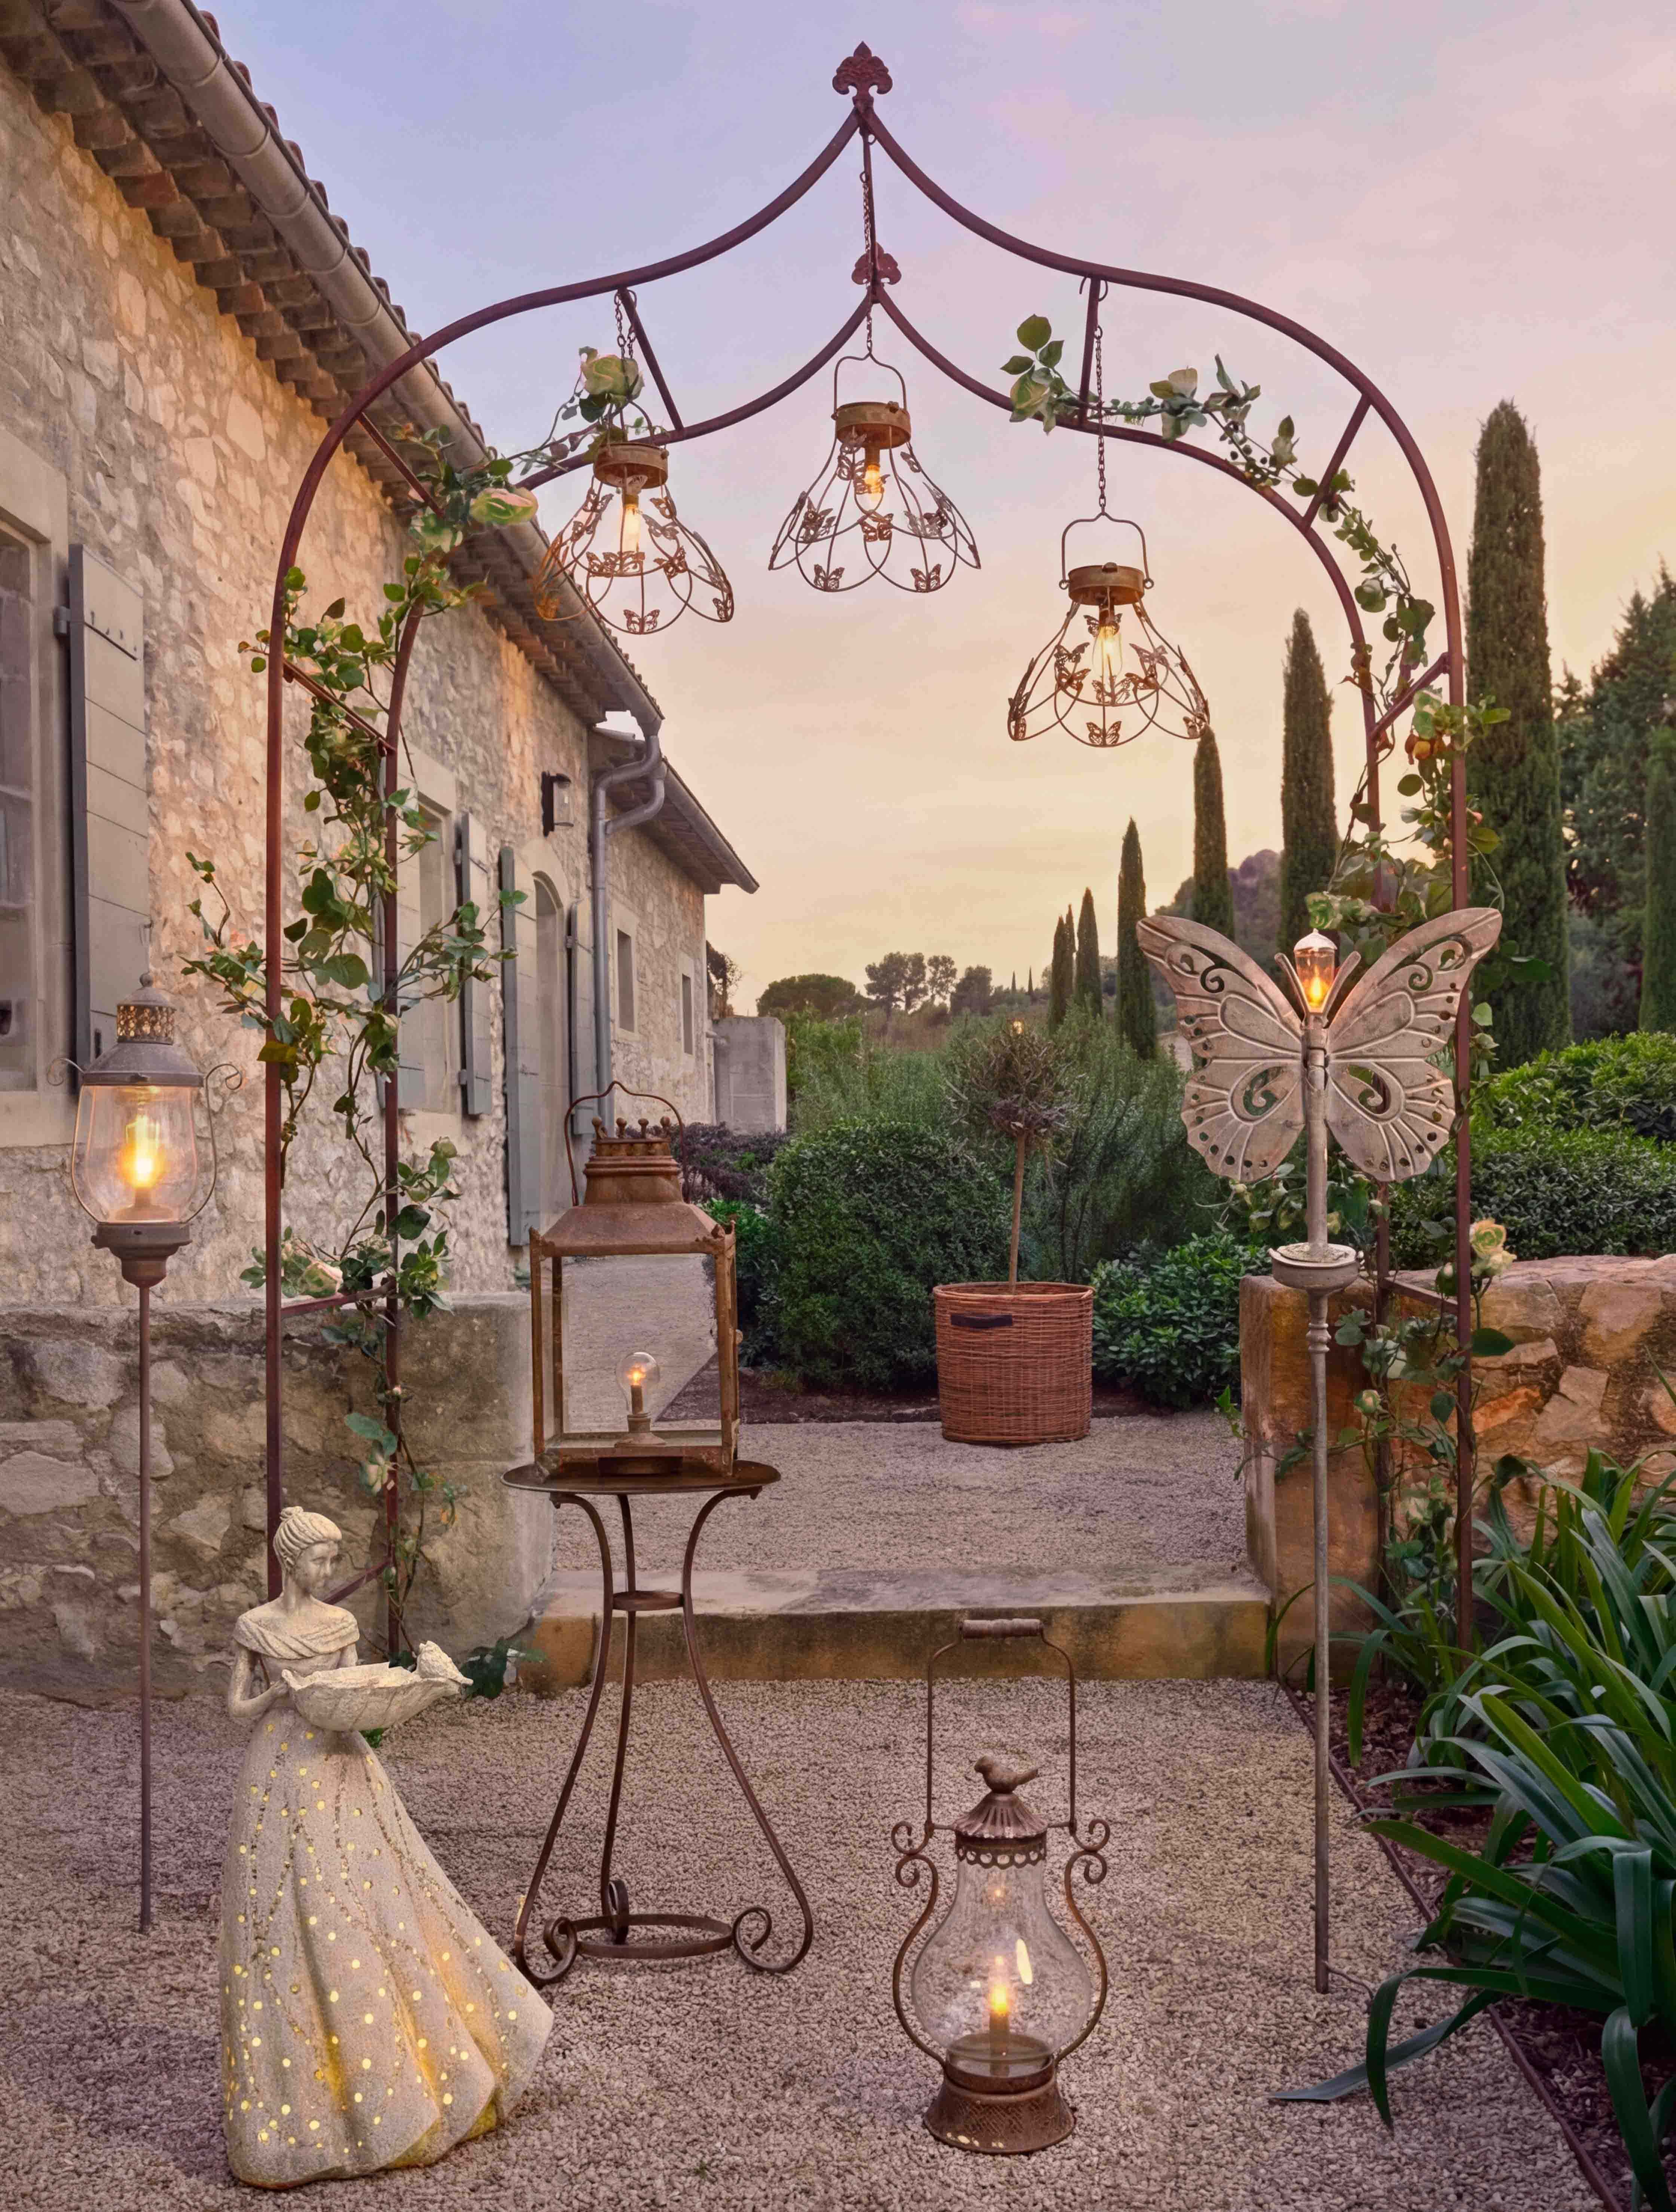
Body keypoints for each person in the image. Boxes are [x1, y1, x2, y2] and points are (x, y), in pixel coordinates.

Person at [220, 1506, 550, 2187]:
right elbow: (236, 1708)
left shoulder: (340, 1626)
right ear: (291, 1562)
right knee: (287, 1918)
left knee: (372, 1900)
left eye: (332, 1560)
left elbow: (353, 1687)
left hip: (343, 1767)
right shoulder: (257, 1626)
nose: (327, 1572)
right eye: (317, 1560)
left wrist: (416, 1686)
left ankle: (402, 2085)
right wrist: (278, 1695)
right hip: (280, 1766)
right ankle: (310, 2106)